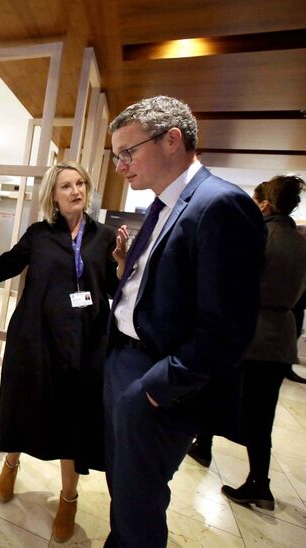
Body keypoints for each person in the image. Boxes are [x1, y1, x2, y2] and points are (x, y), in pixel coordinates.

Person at [103, 96, 266, 547]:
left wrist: (155, 388)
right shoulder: (163, 205)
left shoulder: (221, 205)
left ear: (172, 139)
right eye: (116, 156)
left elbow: (229, 329)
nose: (121, 166)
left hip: (158, 378)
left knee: (138, 503)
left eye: (128, 152)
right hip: (124, 360)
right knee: (124, 489)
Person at [0, 161, 121, 542]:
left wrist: (122, 265)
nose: (75, 190)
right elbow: (2, 268)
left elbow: (113, 288)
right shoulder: (39, 235)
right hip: (36, 339)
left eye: (80, 183)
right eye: (66, 186)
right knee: (26, 405)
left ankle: (69, 498)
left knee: (73, 419)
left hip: (85, 344)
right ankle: (11, 462)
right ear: (53, 196)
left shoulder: (104, 237)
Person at [187, 176, 306, 509]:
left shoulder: (257, 235)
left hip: (247, 332)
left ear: (264, 205)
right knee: (262, 412)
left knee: (213, 389)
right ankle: (257, 479)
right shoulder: (301, 244)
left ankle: (207, 448)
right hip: (281, 334)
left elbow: (230, 284)